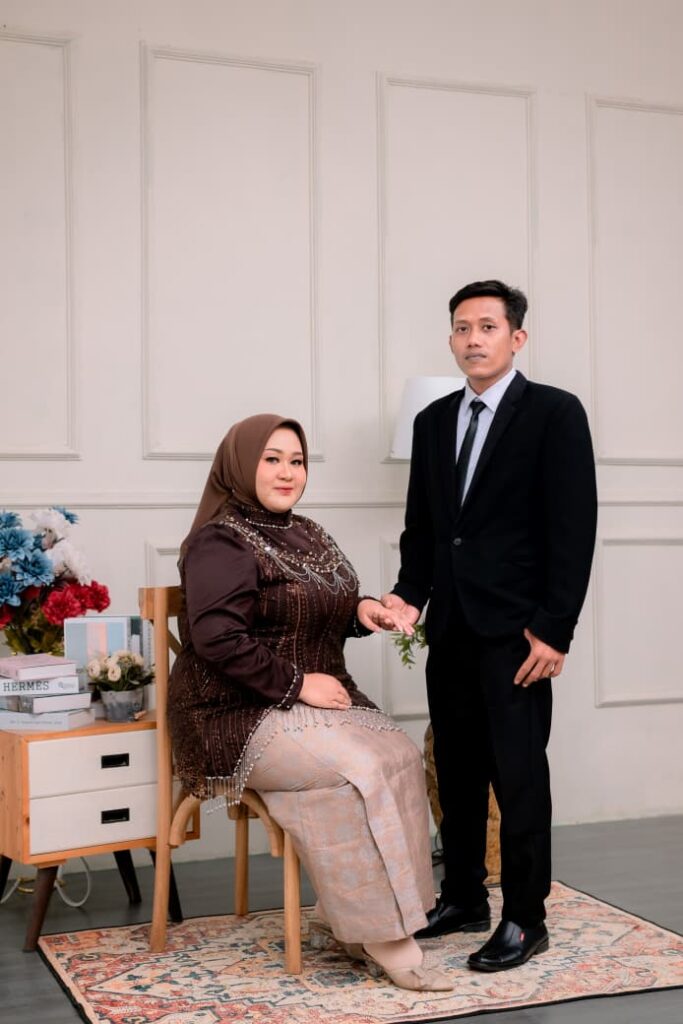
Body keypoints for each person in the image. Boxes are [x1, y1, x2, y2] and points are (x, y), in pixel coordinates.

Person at [168, 413, 451, 992]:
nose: (287, 472)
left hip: (302, 702)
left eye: (296, 461)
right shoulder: (219, 540)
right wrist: (298, 685)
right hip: (233, 711)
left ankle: (366, 915)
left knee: (399, 754)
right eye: (271, 459)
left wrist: (363, 612)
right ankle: (382, 936)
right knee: (354, 771)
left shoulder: (307, 531)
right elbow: (218, 639)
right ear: (240, 465)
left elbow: (320, 605)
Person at [382, 280, 597, 972]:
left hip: (518, 635)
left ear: (516, 337)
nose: (472, 339)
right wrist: (407, 598)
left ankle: (526, 918)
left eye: (486, 326)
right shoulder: (432, 421)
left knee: (518, 775)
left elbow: (573, 528)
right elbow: (424, 530)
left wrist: (554, 630)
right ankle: (464, 897)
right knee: (457, 771)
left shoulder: (555, 414)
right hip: (450, 628)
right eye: (461, 327)